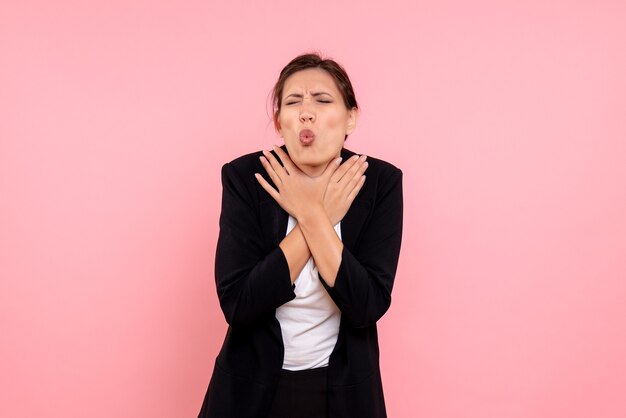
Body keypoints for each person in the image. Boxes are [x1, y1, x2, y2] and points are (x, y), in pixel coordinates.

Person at [198, 52, 403, 418]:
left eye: (322, 100)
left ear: (350, 118)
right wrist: (320, 216)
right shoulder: (247, 177)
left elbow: (367, 306)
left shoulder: (379, 184)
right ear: (280, 121)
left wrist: (308, 214)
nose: (306, 111)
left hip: (344, 391)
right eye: (293, 102)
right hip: (250, 389)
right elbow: (239, 305)